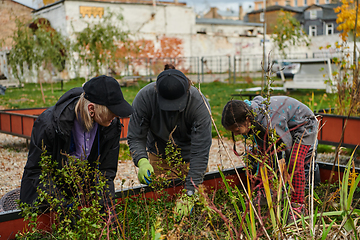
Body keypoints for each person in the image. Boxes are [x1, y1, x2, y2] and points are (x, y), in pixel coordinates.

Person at [20, 75, 134, 210]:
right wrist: (64, 207)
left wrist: (108, 211)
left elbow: (105, 171)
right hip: (42, 201)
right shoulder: (49, 125)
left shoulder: (111, 127)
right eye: (112, 112)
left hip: (77, 197)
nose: (116, 116)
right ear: (91, 109)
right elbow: (36, 171)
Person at [127, 64, 212, 217]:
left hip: (191, 159)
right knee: (161, 208)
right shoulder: (145, 98)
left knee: (198, 212)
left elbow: (200, 152)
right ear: (157, 92)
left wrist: (190, 191)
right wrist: (141, 160)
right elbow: (136, 136)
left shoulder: (199, 104)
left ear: (186, 92)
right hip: (159, 157)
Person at [221, 96, 319, 221]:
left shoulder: (270, 119)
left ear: (246, 119)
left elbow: (286, 146)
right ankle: (266, 193)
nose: (235, 134)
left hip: (304, 126)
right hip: (284, 127)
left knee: (295, 163)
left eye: (237, 129)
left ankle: (297, 205)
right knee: (264, 159)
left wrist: (288, 173)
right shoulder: (253, 117)